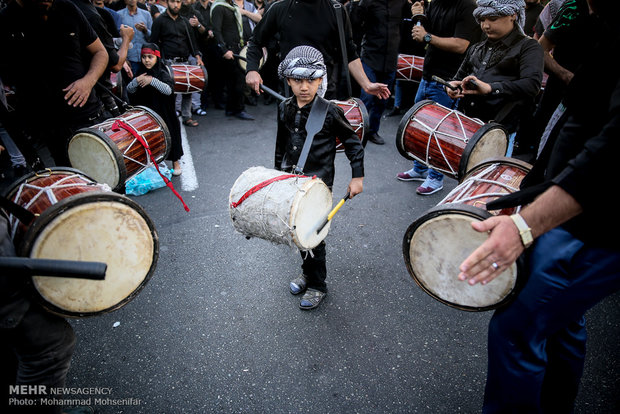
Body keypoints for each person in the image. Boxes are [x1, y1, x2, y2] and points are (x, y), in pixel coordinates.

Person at [457, 1, 620, 411]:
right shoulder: (599, 20)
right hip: (574, 201)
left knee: (517, 328)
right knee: (562, 321)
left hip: (592, 219)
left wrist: (525, 225)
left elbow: (612, 149)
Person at [275, 46, 364, 310]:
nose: (305, 86)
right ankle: (307, 273)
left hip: (319, 186)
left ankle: (317, 285)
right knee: (297, 232)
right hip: (293, 182)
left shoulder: (329, 111)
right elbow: (281, 145)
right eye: (298, 80)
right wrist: (276, 177)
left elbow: (353, 143)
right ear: (289, 80)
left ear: (320, 81)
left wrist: (357, 177)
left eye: (311, 80)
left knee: (314, 234)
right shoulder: (283, 108)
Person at [0, 0, 109, 166]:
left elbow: (100, 52)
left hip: (87, 116)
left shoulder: (67, 8)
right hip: (46, 128)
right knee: (72, 184)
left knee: (107, 174)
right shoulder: (7, 19)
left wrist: (88, 81)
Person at [395, 0, 479, 196]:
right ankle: (420, 168)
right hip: (428, 75)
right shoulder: (436, 4)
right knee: (419, 125)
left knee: (441, 131)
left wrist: (427, 36)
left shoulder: (467, 6)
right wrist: (419, 16)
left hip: (449, 79)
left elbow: (461, 45)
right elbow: (425, 36)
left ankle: (435, 177)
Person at [245, 0, 391, 101]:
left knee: (324, 144)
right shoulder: (280, 8)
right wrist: (252, 69)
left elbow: (349, 52)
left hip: (325, 93)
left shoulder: (337, 10)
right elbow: (256, 41)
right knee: (291, 145)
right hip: (290, 95)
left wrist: (367, 84)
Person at [445, 0, 543, 139]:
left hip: (501, 131)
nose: (485, 25)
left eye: (493, 19)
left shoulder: (529, 47)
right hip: (465, 123)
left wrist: (491, 88)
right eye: (482, 20)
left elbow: (532, 85)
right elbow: (457, 78)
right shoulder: (476, 48)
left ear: (513, 15)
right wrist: (452, 87)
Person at [349, 0, 406, 145]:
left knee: (383, 100)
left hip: (390, 60)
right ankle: (357, 132)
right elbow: (354, 22)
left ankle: (372, 131)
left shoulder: (401, 3)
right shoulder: (368, 2)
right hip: (370, 57)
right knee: (367, 97)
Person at [127, 43, 184, 175]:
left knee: (171, 135)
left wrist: (152, 81)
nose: (146, 60)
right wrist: (136, 81)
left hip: (164, 113)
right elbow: (129, 89)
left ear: (156, 58)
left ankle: (176, 163)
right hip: (147, 114)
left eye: (150, 57)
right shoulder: (140, 72)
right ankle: (151, 164)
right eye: (144, 57)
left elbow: (169, 90)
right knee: (149, 139)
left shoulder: (162, 72)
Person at [150, 0, 204, 127]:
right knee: (169, 93)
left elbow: (192, 42)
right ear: (168, 2)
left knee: (188, 89)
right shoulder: (160, 21)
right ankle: (169, 118)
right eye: (173, 2)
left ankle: (187, 116)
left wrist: (197, 55)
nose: (176, 5)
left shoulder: (184, 22)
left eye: (178, 2)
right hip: (168, 62)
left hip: (185, 61)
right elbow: (154, 42)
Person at [210, 0, 255, 120]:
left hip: (237, 48)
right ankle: (239, 109)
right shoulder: (219, 7)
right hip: (229, 51)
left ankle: (231, 109)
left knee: (234, 82)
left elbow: (235, 29)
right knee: (237, 81)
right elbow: (216, 31)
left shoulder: (232, 7)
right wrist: (224, 50)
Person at [119, 0, 154, 76]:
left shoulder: (146, 14)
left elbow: (152, 37)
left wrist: (145, 30)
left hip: (145, 58)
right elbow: (117, 39)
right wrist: (124, 59)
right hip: (129, 58)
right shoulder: (119, 15)